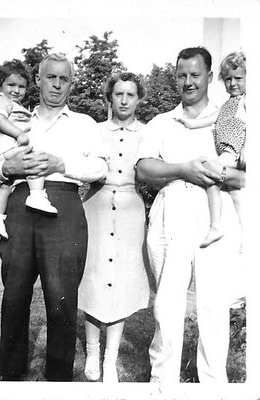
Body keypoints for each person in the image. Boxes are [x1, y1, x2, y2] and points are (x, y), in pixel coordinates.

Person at [136, 47, 246, 385]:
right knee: (167, 306)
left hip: (218, 211)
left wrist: (223, 176)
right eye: (182, 75)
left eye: (195, 75)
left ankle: (214, 384)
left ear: (209, 77)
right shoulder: (161, 122)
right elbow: (143, 168)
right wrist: (183, 169)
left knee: (213, 306)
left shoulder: (233, 115)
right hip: (174, 210)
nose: (188, 81)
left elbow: (245, 173)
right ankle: (162, 382)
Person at [0, 53, 109, 381]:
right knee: (15, 294)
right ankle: (9, 374)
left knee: (61, 300)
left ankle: (58, 379)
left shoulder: (84, 124)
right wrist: (7, 168)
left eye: (64, 79)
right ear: (38, 80)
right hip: (19, 205)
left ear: (71, 84)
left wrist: (61, 165)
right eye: (50, 78)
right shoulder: (14, 117)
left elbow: (100, 168)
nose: (57, 84)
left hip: (63, 207)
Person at [78, 72, 150, 383]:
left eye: (130, 95)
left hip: (130, 210)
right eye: (118, 94)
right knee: (93, 278)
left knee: (120, 280)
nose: (123, 100)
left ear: (138, 99)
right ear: (110, 97)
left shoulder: (147, 133)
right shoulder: (94, 131)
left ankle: (111, 359)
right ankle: (92, 352)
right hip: (95, 206)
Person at [175, 52, 246, 249]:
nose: (232, 84)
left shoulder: (247, 102)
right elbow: (212, 118)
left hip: (233, 150)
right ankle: (246, 235)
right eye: (228, 79)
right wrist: (190, 124)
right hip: (225, 150)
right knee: (236, 195)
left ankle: (216, 226)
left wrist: (247, 150)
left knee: (210, 173)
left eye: (238, 78)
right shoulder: (228, 104)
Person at [0, 60, 57, 240]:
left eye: (21, 87)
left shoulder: (18, 106)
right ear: (0, 84)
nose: (16, 90)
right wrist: (18, 135)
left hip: (7, 150)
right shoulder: (2, 100)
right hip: (7, 146)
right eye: (11, 85)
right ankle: (37, 195)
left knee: (6, 187)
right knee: (35, 159)